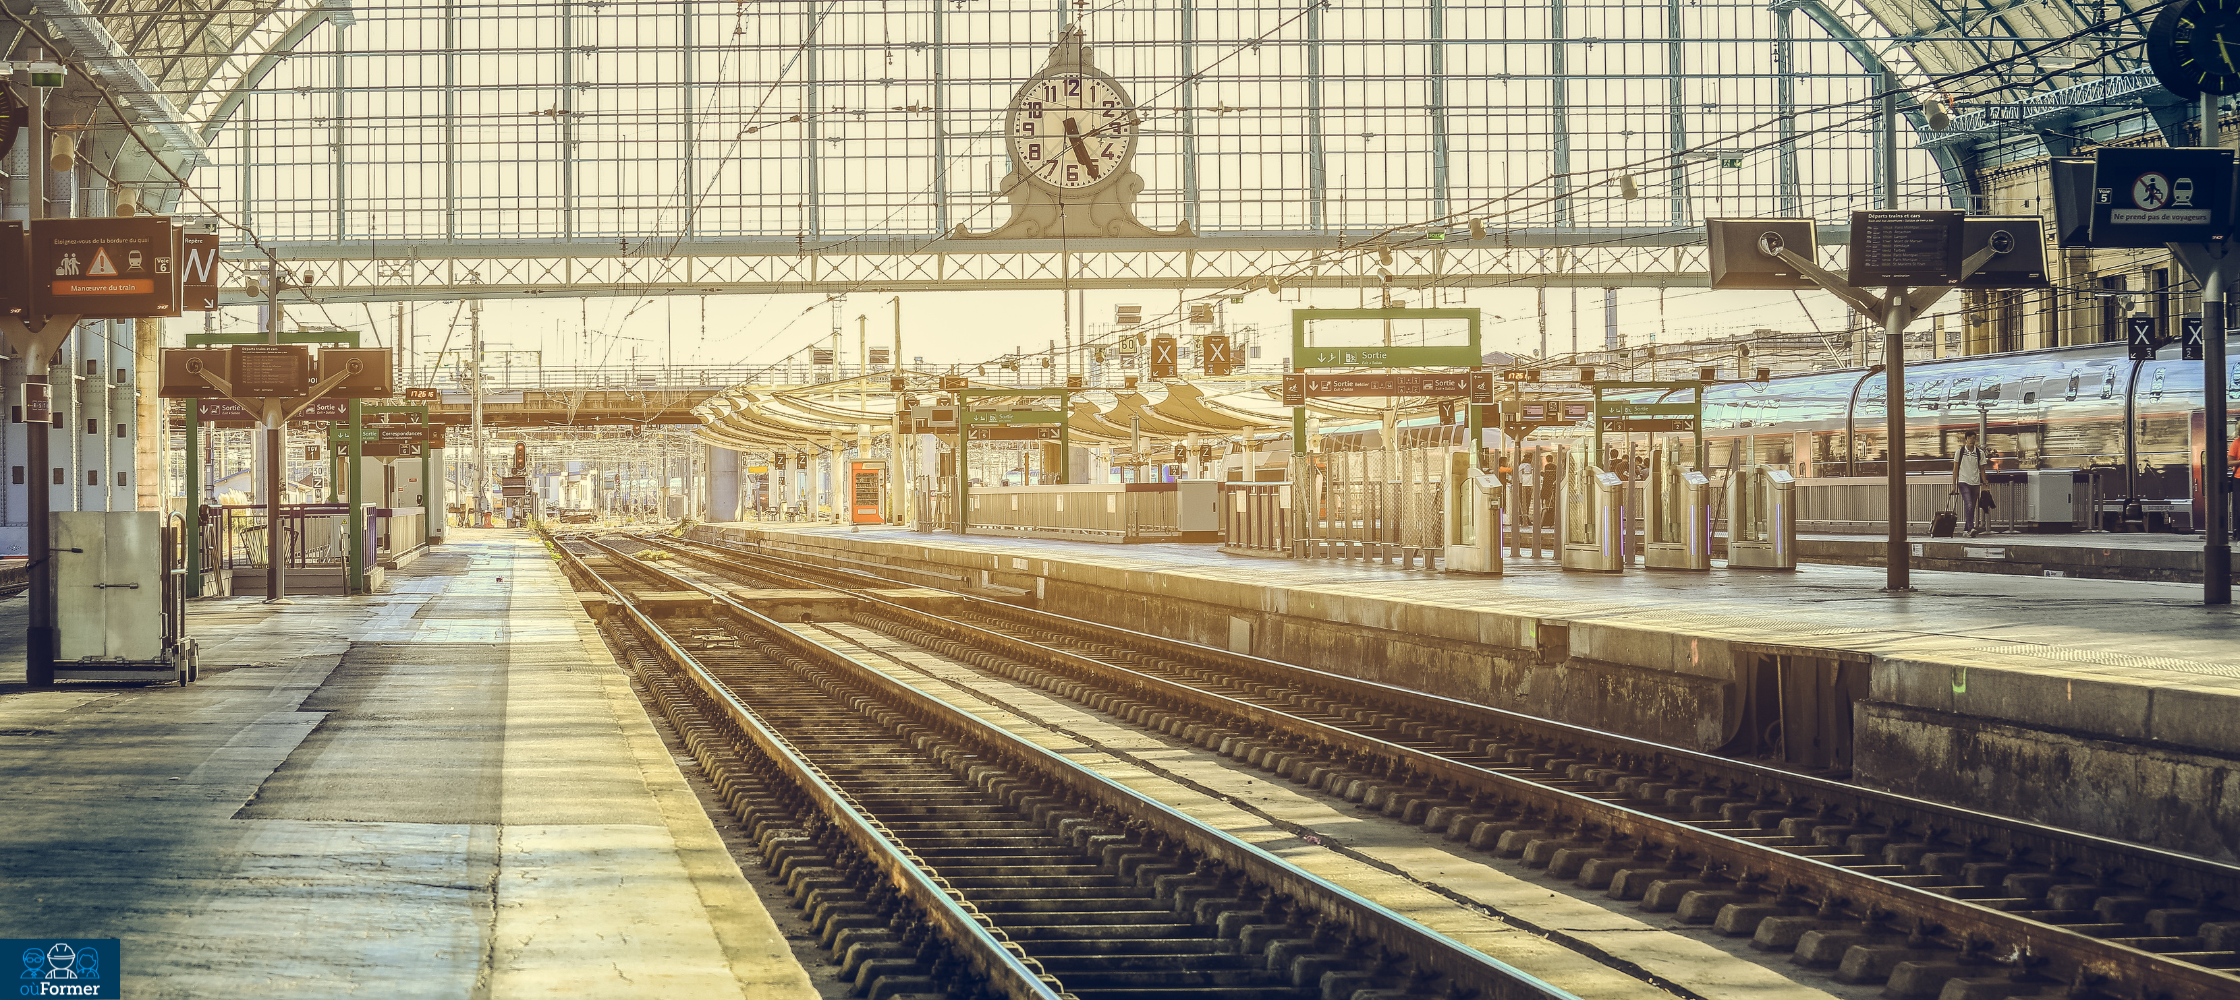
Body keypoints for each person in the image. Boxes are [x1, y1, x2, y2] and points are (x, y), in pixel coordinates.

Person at [1952, 431, 1986, 536]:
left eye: (1974, 438)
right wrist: (1954, 485)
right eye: (1970, 438)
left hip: (1975, 482)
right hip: (1963, 482)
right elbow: (1955, 469)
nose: (1972, 440)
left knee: (1972, 506)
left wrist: (1985, 483)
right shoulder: (1960, 452)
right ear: (1966, 439)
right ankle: (1971, 528)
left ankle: (1966, 531)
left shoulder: (1980, 453)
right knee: (1969, 504)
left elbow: (1982, 469)